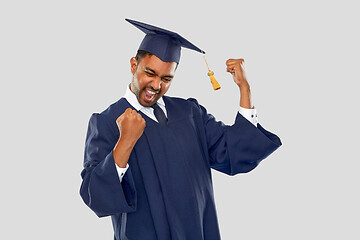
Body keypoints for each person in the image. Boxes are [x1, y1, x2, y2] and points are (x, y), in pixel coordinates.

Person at [80, 18, 282, 240]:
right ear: (133, 65)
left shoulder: (190, 113)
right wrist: (125, 141)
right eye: (150, 73)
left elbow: (236, 152)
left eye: (166, 78)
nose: (157, 86)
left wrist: (245, 89)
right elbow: (95, 195)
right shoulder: (107, 121)